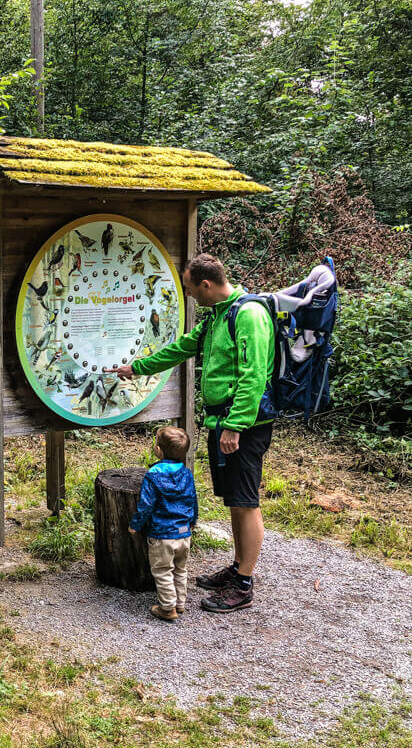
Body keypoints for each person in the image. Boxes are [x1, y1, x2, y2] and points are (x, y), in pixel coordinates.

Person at [108, 253, 275, 613]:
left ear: (206, 284)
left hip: (242, 427)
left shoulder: (249, 315)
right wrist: (137, 367)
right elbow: (182, 347)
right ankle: (237, 568)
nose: (190, 297)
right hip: (222, 423)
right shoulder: (218, 316)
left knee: (246, 502)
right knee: (234, 499)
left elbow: (253, 374)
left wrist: (235, 425)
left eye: (190, 290)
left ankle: (244, 584)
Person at [128, 426, 197, 622]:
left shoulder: (154, 474)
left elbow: (146, 505)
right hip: (184, 533)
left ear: (159, 450)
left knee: (162, 570)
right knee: (180, 569)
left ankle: (167, 608)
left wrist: (136, 524)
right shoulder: (186, 473)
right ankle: (180, 603)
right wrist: (192, 521)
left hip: (162, 534)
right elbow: (193, 500)